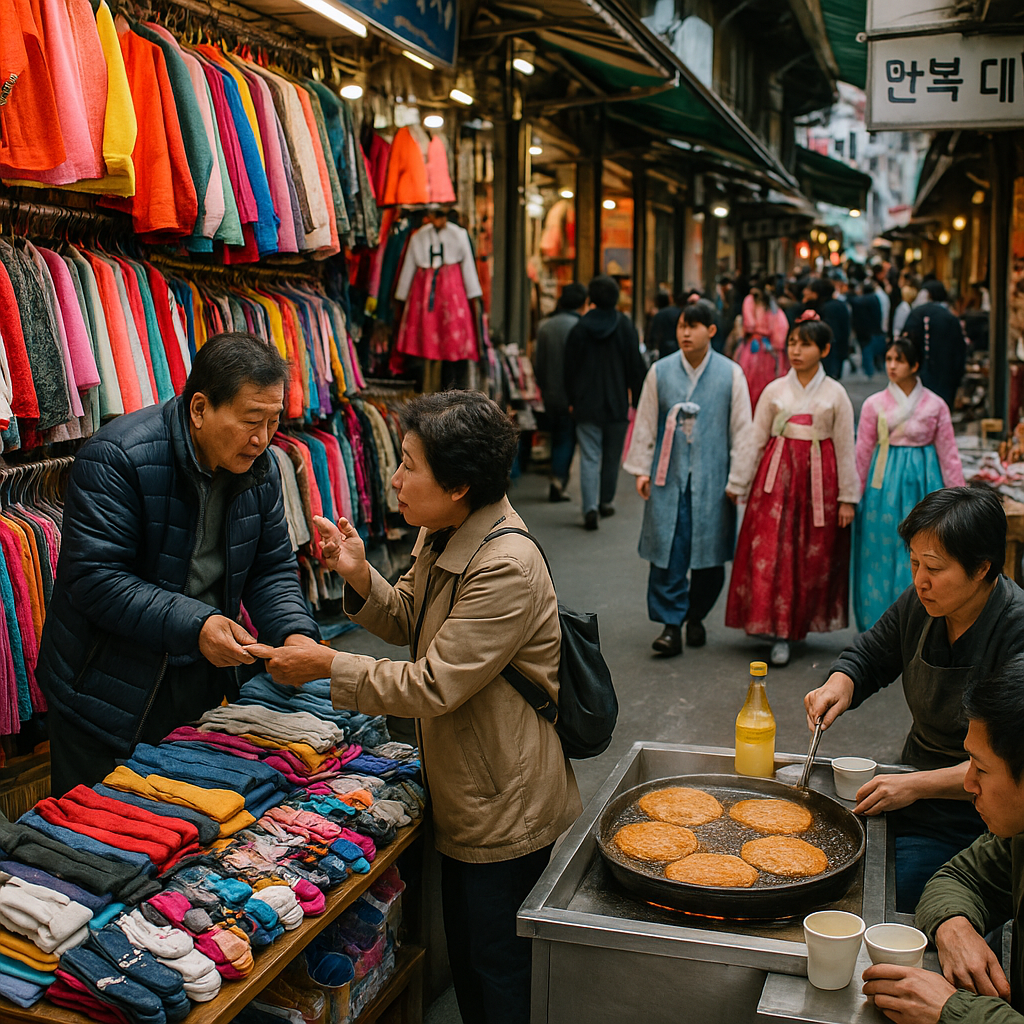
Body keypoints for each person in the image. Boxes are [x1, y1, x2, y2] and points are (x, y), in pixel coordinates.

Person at [250, 390, 581, 1024]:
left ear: (458, 484)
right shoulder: (443, 530)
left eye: (408, 464)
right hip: (462, 781)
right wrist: (358, 573)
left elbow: (432, 683)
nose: (394, 478)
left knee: (496, 966)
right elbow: (409, 617)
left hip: (502, 799)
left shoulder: (505, 564)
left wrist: (326, 665)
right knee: (470, 952)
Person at [36, 332, 321, 796]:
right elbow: (96, 580)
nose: (262, 439)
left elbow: (270, 569)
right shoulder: (117, 457)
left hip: (198, 676)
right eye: (252, 420)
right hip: (103, 689)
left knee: (185, 834)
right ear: (200, 408)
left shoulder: (260, 468)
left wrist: (293, 632)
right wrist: (199, 623)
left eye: (273, 422)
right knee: (94, 845)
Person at [805, 486, 1024, 913]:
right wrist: (839, 684)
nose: (920, 580)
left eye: (935, 568)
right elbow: (868, 655)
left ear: (982, 568)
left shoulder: (1015, 632)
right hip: (909, 789)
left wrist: (915, 785)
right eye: (914, 563)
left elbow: (1007, 764)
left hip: (982, 819)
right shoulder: (924, 604)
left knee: (876, 894)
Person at [863, 657, 1024, 1023]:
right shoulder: (1016, 836)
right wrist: (953, 925)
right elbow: (960, 877)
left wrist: (953, 1011)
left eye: (981, 769)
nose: (967, 785)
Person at [725, 312, 858, 667]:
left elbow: (846, 445)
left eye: (806, 344)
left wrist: (848, 497)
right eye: (793, 343)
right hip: (775, 480)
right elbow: (756, 438)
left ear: (825, 349)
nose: (796, 351)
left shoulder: (836, 394)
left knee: (809, 553)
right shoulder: (774, 389)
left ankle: (794, 626)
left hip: (819, 482)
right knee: (773, 551)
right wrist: (739, 482)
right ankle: (776, 629)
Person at [623, 300, 752, 657]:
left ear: (711, 331)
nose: (685, 333)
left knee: (710, 557)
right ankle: (671, 625)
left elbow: (743, 430)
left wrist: (738, 480)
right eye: (681, 326)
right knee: (668, 550)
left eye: (693, 326)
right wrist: (641, 469)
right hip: (669, 479)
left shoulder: (730, 374)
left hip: (714, 480)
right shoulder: (661, 372)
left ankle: (696, 614)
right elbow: (646, 420)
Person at [853, 338, 966, 632]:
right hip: (881, 487)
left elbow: (948, 453)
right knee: (878, 552)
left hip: (924, 484)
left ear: (915, 366)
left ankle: (921, 626)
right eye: (889, 359)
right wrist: (851, 496)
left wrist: (960, 498)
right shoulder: (873, 404)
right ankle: (877, 627)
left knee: (923, 554)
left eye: (899, 360)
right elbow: (862, 451)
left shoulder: (935, 404)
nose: (891, 365)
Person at [564, 275, 647, 530]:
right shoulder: (625, 326)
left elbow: (569, 368)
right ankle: (605, 502)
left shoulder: (579, 328)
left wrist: (571, 399)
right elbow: (635, 366)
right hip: (616, 402)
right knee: (612, 457)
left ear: (591, 299)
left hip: (586, 404)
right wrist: (639, 397)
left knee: (589, 456)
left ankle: (589, 508)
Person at [534, 282, 587, 503]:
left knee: (557, 435)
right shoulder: (581, 327)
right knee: (566, 437)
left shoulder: (545, 326)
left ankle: (556, 475)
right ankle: (558, 479)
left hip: (550, 392)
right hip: (571, 395)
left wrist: (544, 387)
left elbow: (539, 364)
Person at [903, 281, 967, 409]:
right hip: (946, 377)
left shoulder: (917, 314)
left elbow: (905, 344)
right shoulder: (949, 317)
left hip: (918, 376)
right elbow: (960, 350)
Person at [733, 276, 790, 409]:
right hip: (770, 349)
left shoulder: (750, 300)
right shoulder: (773, 305)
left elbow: (749, 324)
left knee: (748, 383)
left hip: (754, 347)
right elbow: (781, 328)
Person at [802, 277, 851, 379]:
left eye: (809, 290)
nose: (805, 292)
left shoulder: (827, 308)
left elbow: (830, 333)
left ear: (816, 293)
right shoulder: (838, 304)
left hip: (831, 354)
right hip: (838, 351)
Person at [852, 279, 886, 378]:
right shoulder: (874, 299)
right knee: (873, 351)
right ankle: (873, 370)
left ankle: (869, 372)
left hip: (864, 331)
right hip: (874, 330)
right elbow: (878, 315)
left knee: (867, 351)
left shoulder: (859, 300)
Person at [645, 290, 684, 360]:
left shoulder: (658, 315)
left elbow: (652, 334)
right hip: (677, 346)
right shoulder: (677, 312)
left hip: (663, 348)